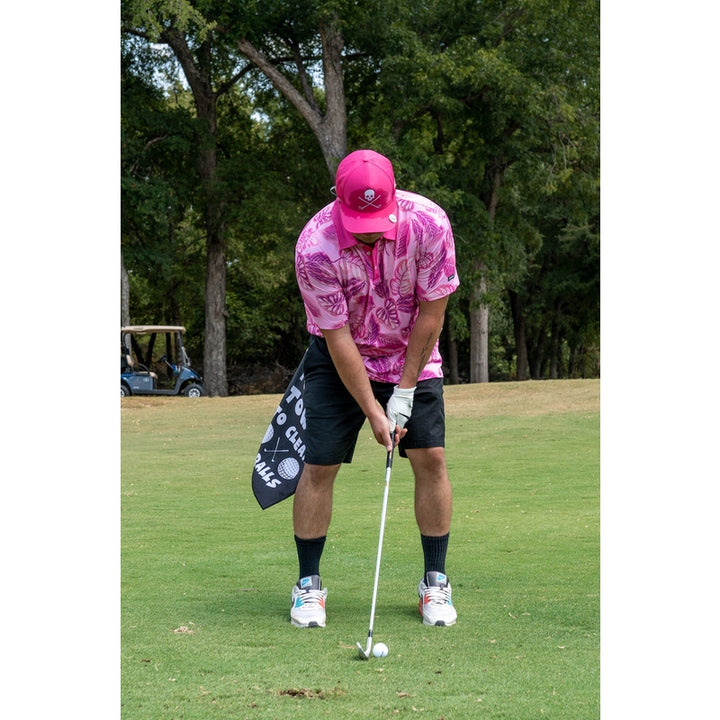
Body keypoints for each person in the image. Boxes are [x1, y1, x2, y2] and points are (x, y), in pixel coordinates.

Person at [291, 149, 460, 629]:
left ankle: (435, 581)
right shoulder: (314, 247)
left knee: (432, 458)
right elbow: (337, 335)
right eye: (358, 219)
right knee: (319, 464)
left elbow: (433, 313)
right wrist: (373, 411)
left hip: (412, 353)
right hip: (340, 358)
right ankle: (308, 586)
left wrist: (404, 391)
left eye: (377, 218)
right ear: (337, 201)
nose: (369, 231)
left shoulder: (429, 224)